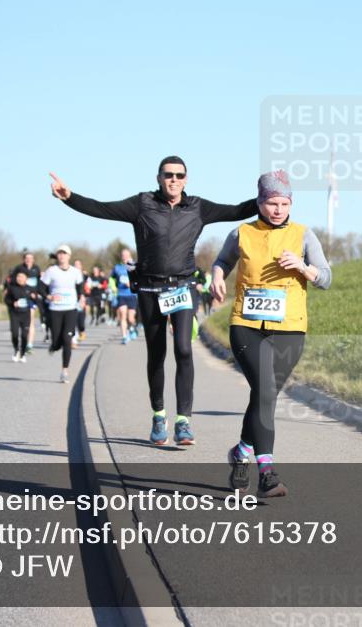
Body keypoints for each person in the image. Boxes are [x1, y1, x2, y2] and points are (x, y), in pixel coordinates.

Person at [50, 155, 256, 446]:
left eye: (179, 175)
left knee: (184, 349)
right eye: (168, 174)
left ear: (186, 179)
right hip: (149, 290)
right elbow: (102, 208)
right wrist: (69, 197)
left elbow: (237, 210)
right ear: (159, 177)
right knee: (157, 353)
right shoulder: (142, 203)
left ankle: (183, 421)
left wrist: (269, 195)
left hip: (183, 287)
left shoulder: (198, 207)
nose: (174, 180)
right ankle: (159, 415)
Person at [211, 170, 331, 498]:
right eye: (271, 203)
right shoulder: (242, 233)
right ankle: (266, 470)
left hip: (290, 327)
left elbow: (326, 278)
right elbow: (222, 260)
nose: (278, 209)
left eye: (284, 203)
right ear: (260, 202)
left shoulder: (305, 235)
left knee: (266, 395)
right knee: (264, 389)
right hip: (246, 326)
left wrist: (304, 268)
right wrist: (217, 276)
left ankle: (241, 453)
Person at [40, 245, 85, 383]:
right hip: (55, 310)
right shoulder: (51, 271)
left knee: (67, 339)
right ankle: (54, 345)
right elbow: (41, 288)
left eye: (64, 253)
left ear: (69, 256)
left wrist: (82, 298)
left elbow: (80, 288)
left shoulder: (75, 272)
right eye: (59, 253)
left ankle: (64, 370)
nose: (61, 256)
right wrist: (48, 297)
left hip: (70, 309)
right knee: (56, 340)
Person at [11, 251, 41, 353]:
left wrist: (37, 294)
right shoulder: (19, 268)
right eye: (26, 258)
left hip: (31, 298)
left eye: (30, 258)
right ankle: (21, 340)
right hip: (20, 298)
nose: (28, 260)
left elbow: (40, 283)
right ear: (24, 259)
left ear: (33, 259)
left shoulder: (36, 269)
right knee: (21, 323)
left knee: (31, 320)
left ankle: (29, 344)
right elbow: (12, 281)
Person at [5, 270, 37, 362]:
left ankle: (22, 354)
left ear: (26, 278)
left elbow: (36, 301)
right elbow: (6, 300)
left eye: (22, 277)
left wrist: (34, 298)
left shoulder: (30, 289)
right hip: (15, 314)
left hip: (26, 315)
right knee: (15, 334)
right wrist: (12, 303)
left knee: (24, 335)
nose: (20, 278)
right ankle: (16, 350)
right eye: (18, 276)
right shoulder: (12, 288)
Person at [112, 248, 139, 343]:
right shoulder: (117, 267)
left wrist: (131, 283)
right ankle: (124, 336)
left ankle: (133, 328)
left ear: (129, 255)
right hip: (121, 294)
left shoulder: (132, 266)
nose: (124, 257)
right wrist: (114, 289)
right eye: (123, 255)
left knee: (131, 318)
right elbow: (112, 279)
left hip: (131, 295)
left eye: (126, 255)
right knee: (122, 315)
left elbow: (138, 279)